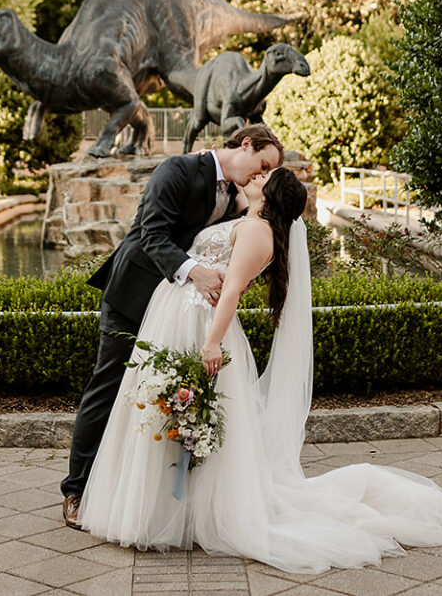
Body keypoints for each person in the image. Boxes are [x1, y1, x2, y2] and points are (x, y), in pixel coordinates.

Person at [77, 166, 442, 573]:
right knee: (165, 414)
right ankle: (163, 509)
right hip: (176, 316)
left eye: (264, 178)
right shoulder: (247, 222)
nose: (255, 178)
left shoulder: (257, 232)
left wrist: (210, 343)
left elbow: (230, 290)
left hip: (199, 326)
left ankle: (168, 513)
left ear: (270, 194)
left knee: (179, 415)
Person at [61, 124, 286, 528]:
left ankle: (144, 497)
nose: (260, 175)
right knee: (109, 388)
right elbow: (152, 234)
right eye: (262, 164)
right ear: (247, 144)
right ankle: (76, 490)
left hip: (178, 314)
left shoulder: (237, 198)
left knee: (163, 400)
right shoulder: (177, 169)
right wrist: (196, 272)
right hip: (133, 297)